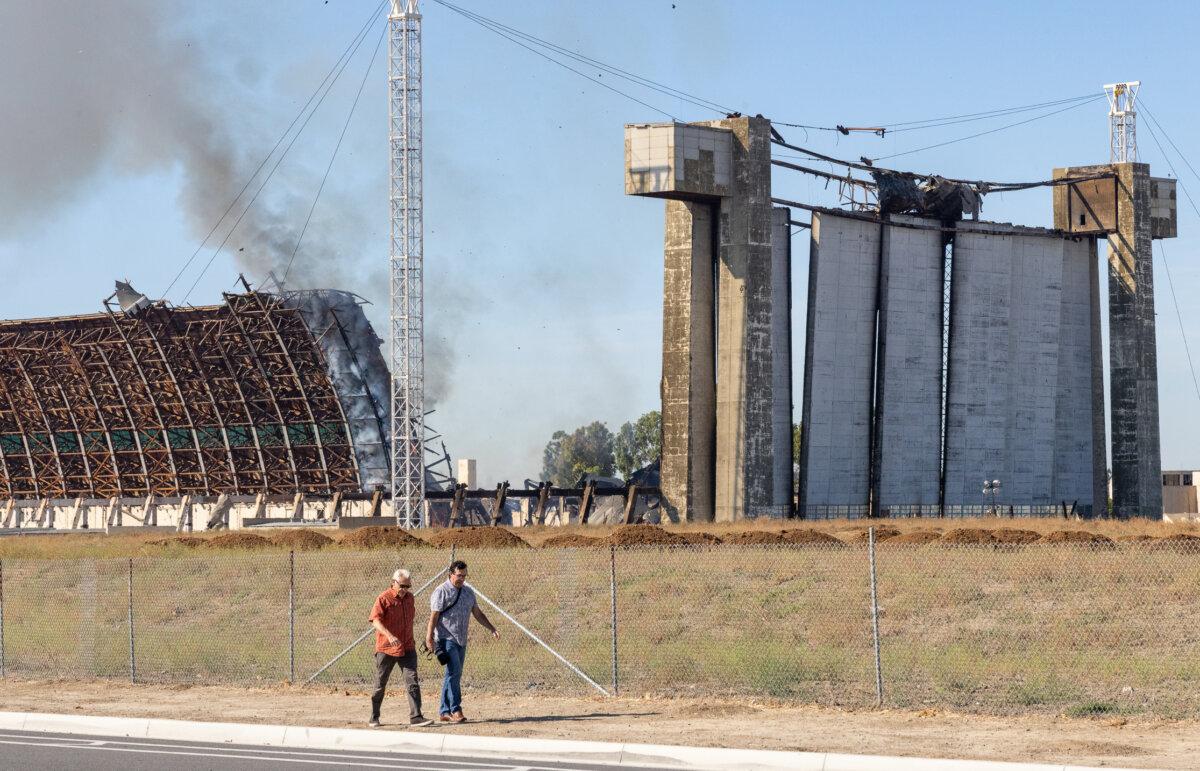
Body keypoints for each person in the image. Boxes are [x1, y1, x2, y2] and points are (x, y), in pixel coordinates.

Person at [425, 560, 500, 723]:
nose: (462, 579)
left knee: (452, 674)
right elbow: (434, 617)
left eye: (464, 576)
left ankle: (444, 711)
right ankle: (456, 709)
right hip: (446, 638)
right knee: (455, 672)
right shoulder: (441, 591)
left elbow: (477, 613)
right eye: (459, 576)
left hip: (461, 639)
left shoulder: (468, 592)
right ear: (451, 574)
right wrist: (429, 638)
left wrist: (492, 628)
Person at [368, 568, 433, 728]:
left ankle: (416, 717)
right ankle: (374, 716)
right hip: (386, 648)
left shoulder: (410, 598)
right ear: (393, 583)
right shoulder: (384, 598)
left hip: (407, 647)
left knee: (412, 681)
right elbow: (375, 620)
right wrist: (389, 636)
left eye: (408, 586)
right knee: (380, 683)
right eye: (402, 586)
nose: (405, 590)